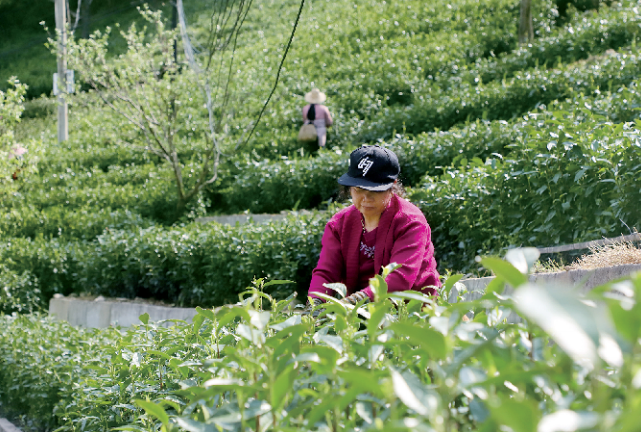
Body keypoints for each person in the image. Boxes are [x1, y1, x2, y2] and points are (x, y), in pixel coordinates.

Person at [306, 145, 440, 310]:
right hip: (358, 316)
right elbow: (325, 272)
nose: (366, 198)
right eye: (359, 190)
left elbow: (399, 279)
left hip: (412, 312)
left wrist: (352, 303)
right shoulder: (338, 225)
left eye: (374, 191)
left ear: (393, 186)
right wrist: (315, 304)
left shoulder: (410, 222)